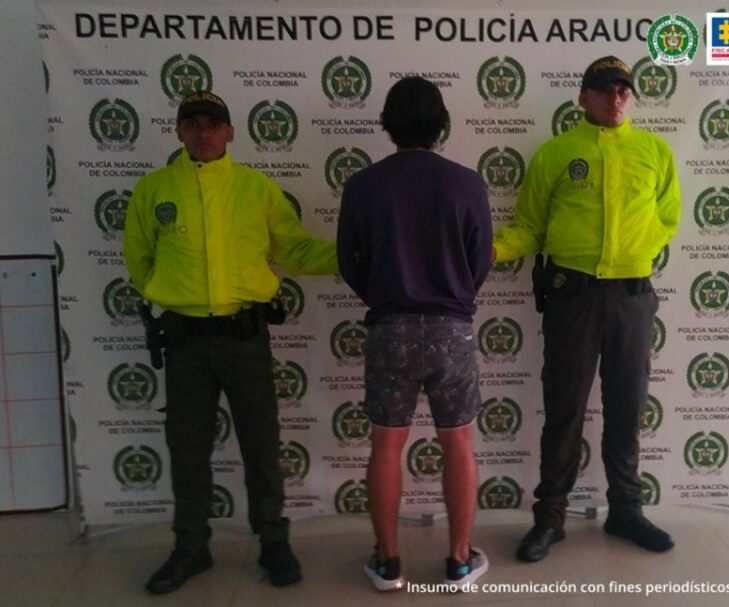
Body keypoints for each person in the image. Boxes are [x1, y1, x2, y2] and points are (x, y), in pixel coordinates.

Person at [123, 90, 337, 594]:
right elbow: (139, 259)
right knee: (188, 449)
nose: (203, 132)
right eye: (192, 123)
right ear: (177, 130)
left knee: (261, 445)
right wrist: (169, 294)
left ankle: (274, 542)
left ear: (230, 132)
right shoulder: (154, 189)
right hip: (185, 342)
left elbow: (297, 251)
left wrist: (358, 253)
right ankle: (190, 547)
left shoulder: (256, 188)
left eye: (213, 123)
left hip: (245, 338)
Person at [492, 56, 681, 563]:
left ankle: (626, 511)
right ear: (582, 98)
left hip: (632, 296)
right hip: (572, 296)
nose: (616, 98)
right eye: (604, 90)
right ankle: (549, 518)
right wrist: (491, 250)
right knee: (565, 409)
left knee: (627, 405)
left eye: (624, 90)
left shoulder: (654, 151)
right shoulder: (556, 153)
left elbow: (668, 216)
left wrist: (635, 251)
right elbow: (530, 226)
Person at [337, 76, 493, 591]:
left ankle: (387, 562)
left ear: (388, 123)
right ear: (441, 123)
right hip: (452, 327)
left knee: (386, 447)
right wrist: (455, 298)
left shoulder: (363, 184)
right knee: (459, 446)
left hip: (390, 328)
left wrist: (383, 299)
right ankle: (458, 560)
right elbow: (480, 260)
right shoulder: (468, 183)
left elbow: (348, 261)